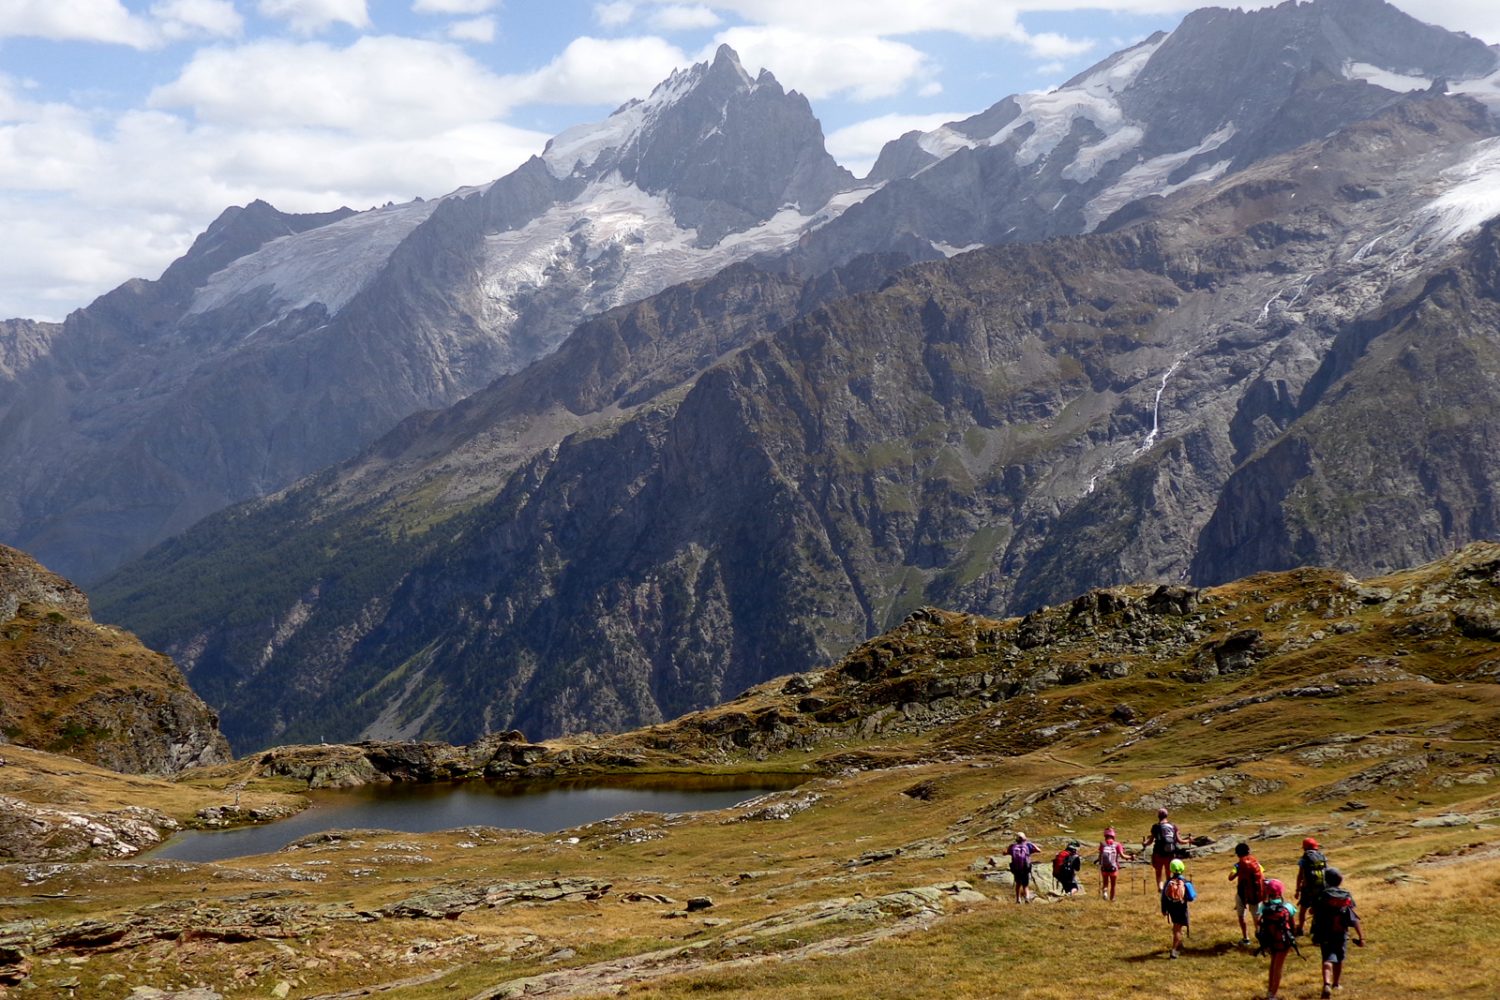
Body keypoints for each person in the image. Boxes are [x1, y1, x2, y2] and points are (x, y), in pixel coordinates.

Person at [1310, 868, 1364, 998]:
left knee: (1327, 958)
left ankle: (1326, 984)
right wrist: (1361, 936)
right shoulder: (1346, 894)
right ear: (1340, 881)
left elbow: (1312, 911)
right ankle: (1336, 984)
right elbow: (1353, 916)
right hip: (1341, 932)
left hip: (1324, 932)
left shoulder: (1323, 894)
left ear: (1326, 880)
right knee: (1339, 958)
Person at [1256, 878, 1300, 1000]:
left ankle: (1270, 990)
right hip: (1283, 940)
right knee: (1278, 967)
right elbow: (1292, 925)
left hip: (1269, 940)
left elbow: (1259, 922)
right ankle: (1273, 995)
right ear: (1280, 893)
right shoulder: (1288, 906)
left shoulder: (1263, 907)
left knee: (1273, 964)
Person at [1228, 841, 1265, 945]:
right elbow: (1262, 875)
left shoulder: (1238, 865)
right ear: (1248, 851)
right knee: (1257, 918)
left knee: (1241, 916)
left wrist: (1238, 871)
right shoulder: (1256, 863)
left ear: (1237, 854)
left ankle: (1246, 938)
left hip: (1242, 893)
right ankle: (1261, 938)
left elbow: (1230, 877)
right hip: (1255, 894)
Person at [1159, 857, 1196, 958]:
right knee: (1178, 929)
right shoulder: (1185, 882)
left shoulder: (1168, 882)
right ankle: (1174, 950)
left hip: (1171, 908)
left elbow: (1163, 898)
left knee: (1176, 926)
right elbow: (1192, 897)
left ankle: (1180, 944)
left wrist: (1164, 909)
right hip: (1181, 907)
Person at [1143, 807, 1182, 890]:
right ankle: (1168, 888)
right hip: (1170, 853)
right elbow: (1179, 840)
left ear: (1158, 816)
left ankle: (1160, 888)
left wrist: (1144, 843)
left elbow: (1150, 841)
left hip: (1158, 853)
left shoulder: (1156, 827)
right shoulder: (1173, 826)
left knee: (1158, 872)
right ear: (1166, 815)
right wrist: (1188, 840)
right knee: (1168, 872)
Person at [1295, 837, 1328, 934]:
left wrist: (1297, 889)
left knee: (1303, 909)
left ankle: (1300, 928)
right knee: (1318, 909)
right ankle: (1317, 928)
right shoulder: (1322, 856)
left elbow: (1300, 875)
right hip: (1322, 887)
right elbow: (1326, 871)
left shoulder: (1304, 858)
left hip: (1307, 888)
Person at [1096, 827, 1133, 901]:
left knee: (1105, 883)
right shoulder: (1117, 844)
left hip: (1104, 868)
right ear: (1113, 835)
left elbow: (1100, 855)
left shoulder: (1102, 844)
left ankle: (1105, 892)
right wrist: (1130, 857)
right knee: (1113, 885)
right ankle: (1112, 899)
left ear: (1105, 835)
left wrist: (1099, 862)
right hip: (1113, 868)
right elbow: (1123, 856)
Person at [1008, 831, 1041, 903]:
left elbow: (1005, 852)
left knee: (1018, 884)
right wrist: (1031, 843)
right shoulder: (1028, 846)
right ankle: (1027, 898)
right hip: (1025, 868)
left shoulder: (1012, 846)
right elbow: (1039, 850)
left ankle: (1018, 899)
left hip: (1016, 868)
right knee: (1025, 885)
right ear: (1024, 839)